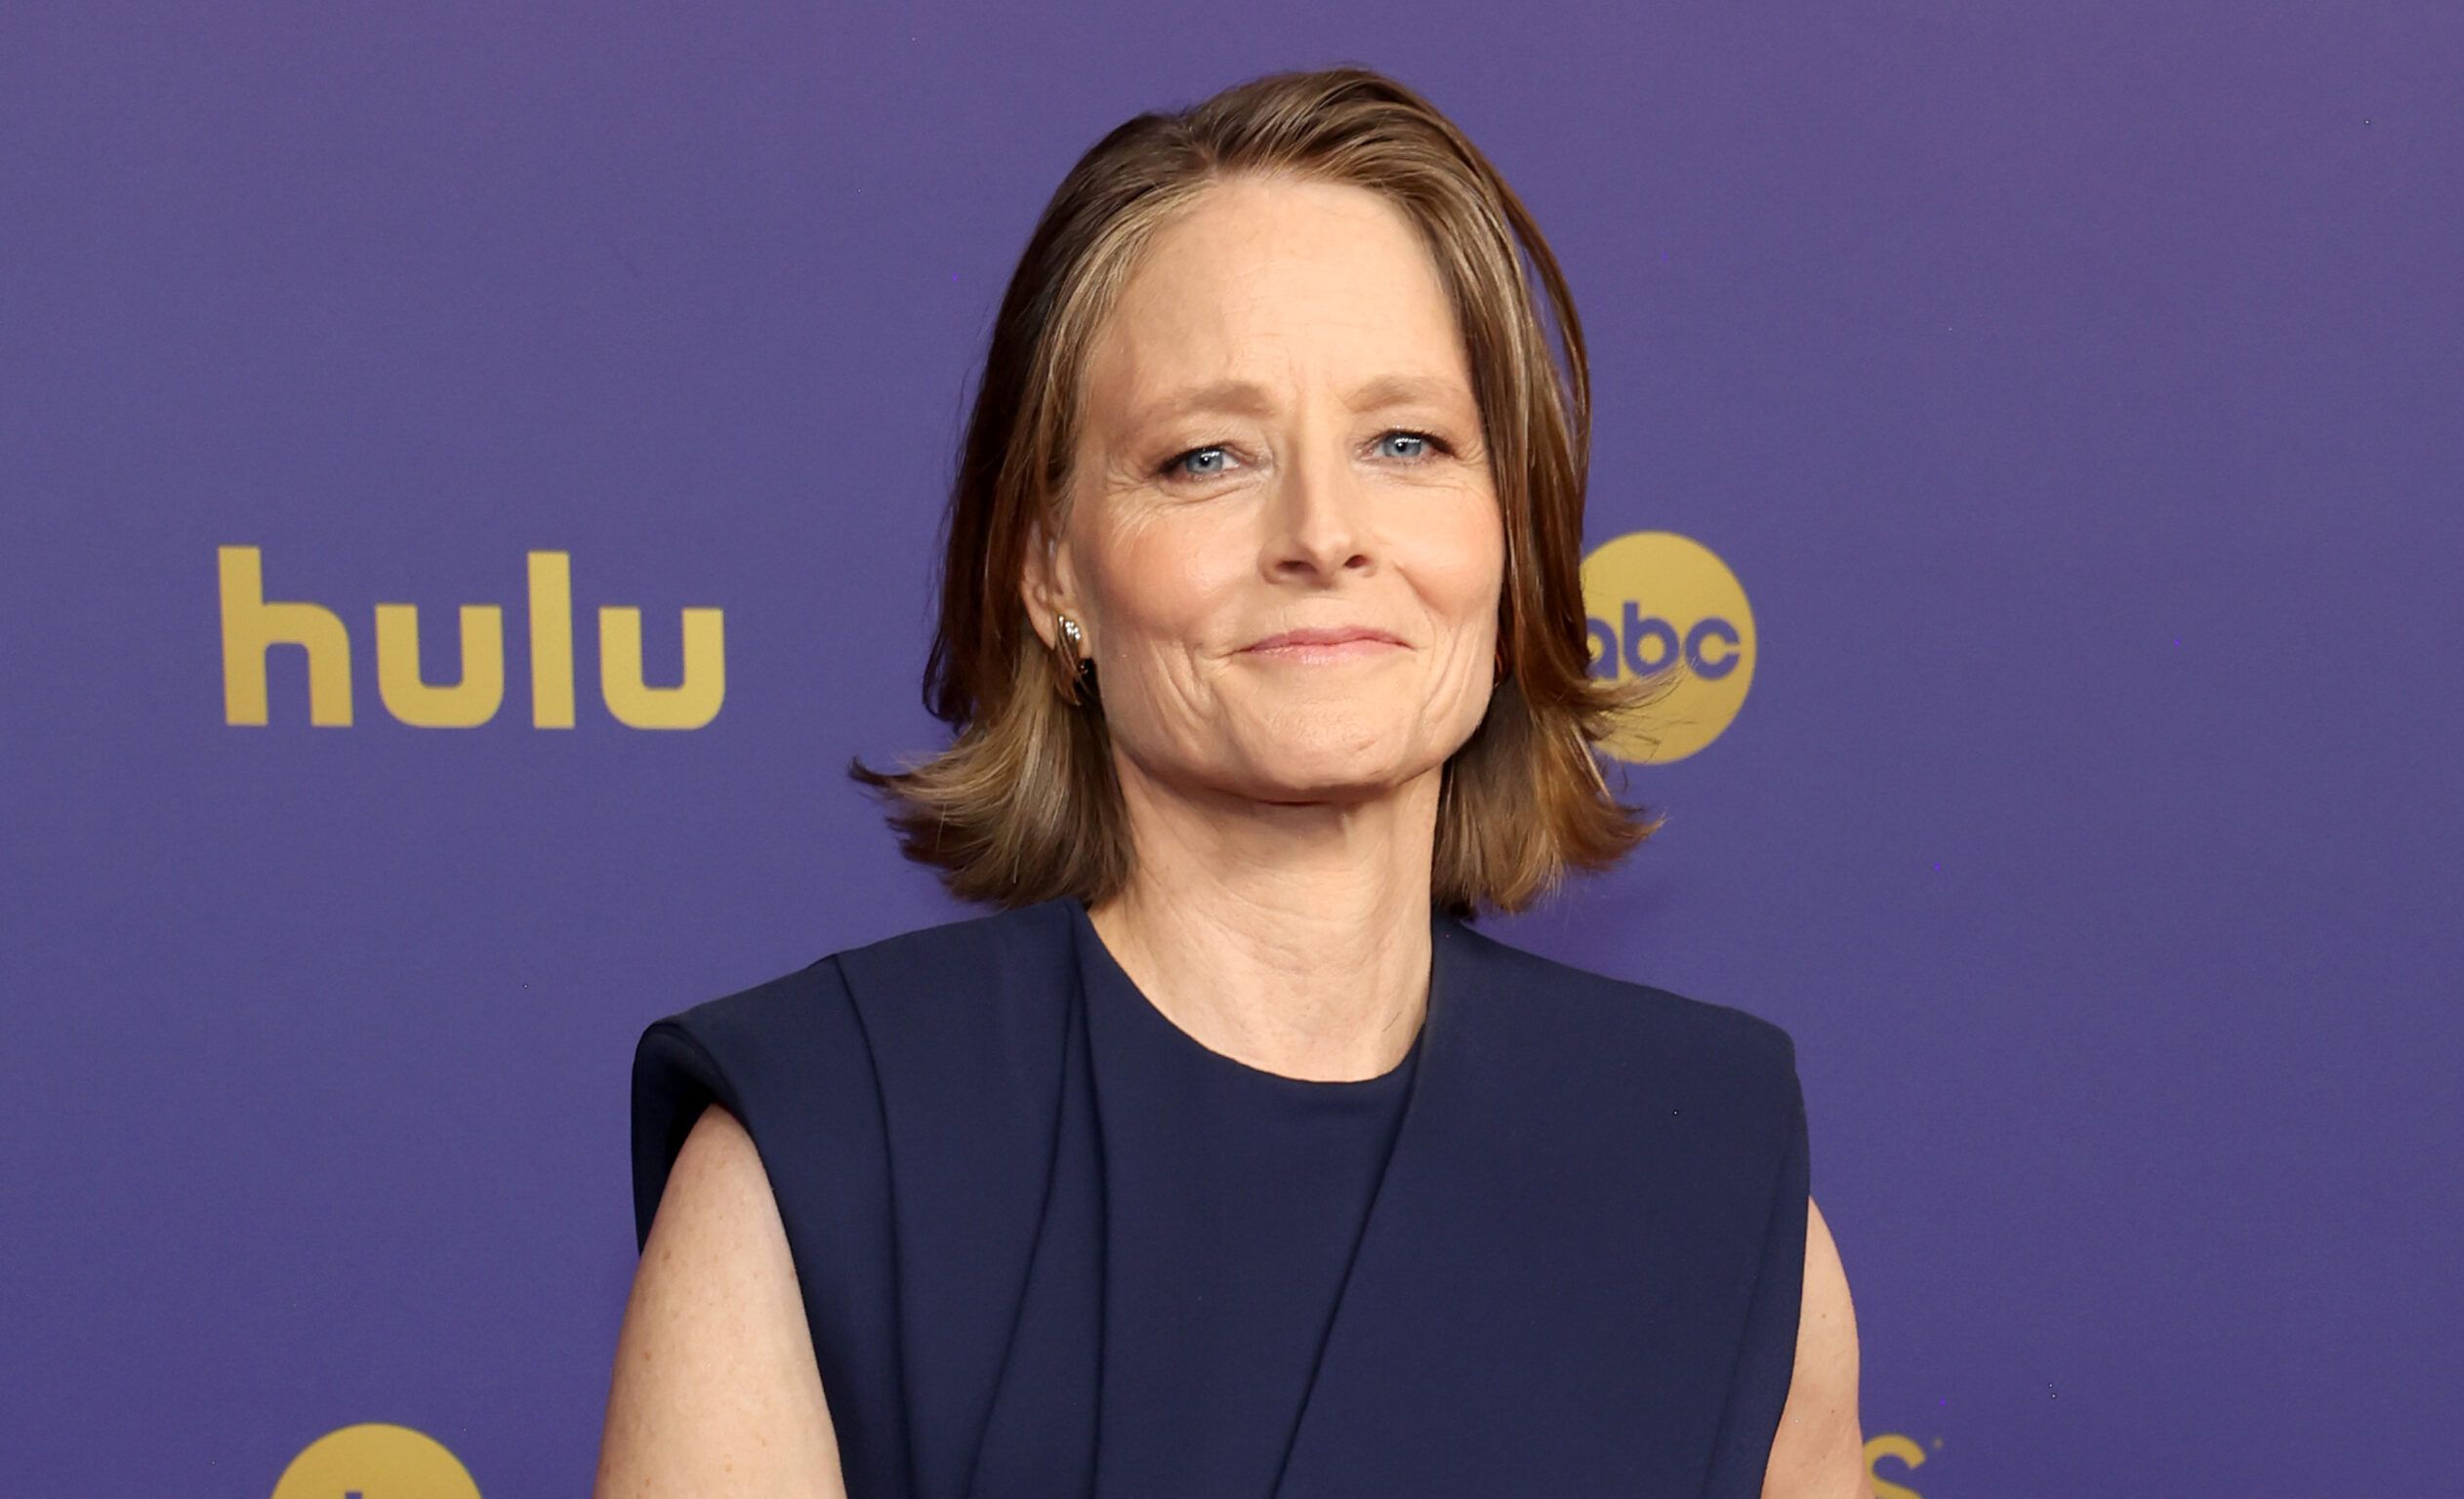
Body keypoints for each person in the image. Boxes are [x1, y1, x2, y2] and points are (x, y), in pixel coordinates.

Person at [595, 64, 1871, 1499]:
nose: (1324, 533)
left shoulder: (1712, 1171)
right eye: (1208, 456)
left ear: (1512, 533)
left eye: (1408, 443)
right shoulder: (823, 1158)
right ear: (1051, 569)